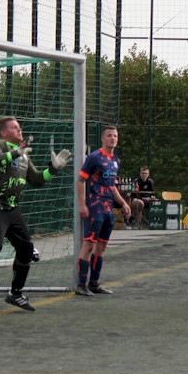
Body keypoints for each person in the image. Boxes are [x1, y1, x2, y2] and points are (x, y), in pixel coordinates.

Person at [0, 116, 73, 312]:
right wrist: (15, 153)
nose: (20, 130)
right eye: (15, 127)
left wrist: (53, 169)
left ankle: (16, 294)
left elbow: (38, 180)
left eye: (20, 127)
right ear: (4, 132)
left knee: (26, 250)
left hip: (11, 208)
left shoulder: (23, 155)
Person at [75, 126, 131, 296]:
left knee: (102, 247)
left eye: (115, 136)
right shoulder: (94, 158)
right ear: (102, 139)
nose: (113, 138)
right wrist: (82, 204)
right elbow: (80, 180)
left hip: (108, 208)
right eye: (109, 135)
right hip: (95, 206)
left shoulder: (115, 160)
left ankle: (94, 284)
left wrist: (123, 203)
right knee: (89, 245)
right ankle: (81, 285)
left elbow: (111, 186)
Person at [128, 165, 156, 230]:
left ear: (148, 174)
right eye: (143, 173)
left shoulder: (150, 182)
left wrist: (152, 197)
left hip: (148, 200)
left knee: (158, 202)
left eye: (146, 173)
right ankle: (138, 222)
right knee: (140, 203)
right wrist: (143, 199)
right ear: (140, 173)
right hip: (137, 200)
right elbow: (134, 195)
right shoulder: (136, 181)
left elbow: (153, 193)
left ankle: (156, 223)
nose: (144, 175)